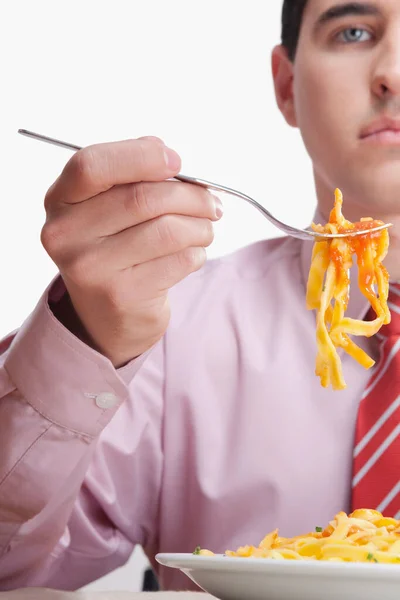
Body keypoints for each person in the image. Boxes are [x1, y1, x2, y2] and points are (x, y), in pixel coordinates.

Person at [0, 0, 399, 592]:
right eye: (356, 31)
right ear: (287, 86)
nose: (394, 71)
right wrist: (81, 336)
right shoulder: (163, 330)